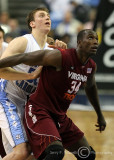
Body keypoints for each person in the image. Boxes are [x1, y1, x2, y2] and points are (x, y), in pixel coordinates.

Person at [0, 29, 106, 160]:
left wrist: (100, 115)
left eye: (96, 39)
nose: (95, 42)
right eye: (90, 38)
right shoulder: (60, 56)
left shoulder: (91, 66)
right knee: (55, 152)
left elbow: (91, 87)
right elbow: (24, 57)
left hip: (60, 116)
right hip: (39, 111)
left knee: (88, 155)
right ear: (79, 42)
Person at [0, 7, 67, 160]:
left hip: (28, 105)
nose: (47, 18)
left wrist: (63, 55)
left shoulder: (51, 49)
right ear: (32, 23)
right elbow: (0, 69)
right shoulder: (22, 42)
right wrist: (29, 75)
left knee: (26, 154)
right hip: (6, 99)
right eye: (42, 16)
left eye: (48, 16)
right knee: (22, 152)